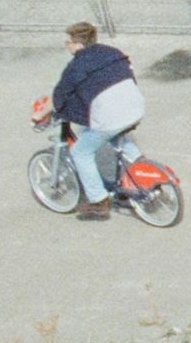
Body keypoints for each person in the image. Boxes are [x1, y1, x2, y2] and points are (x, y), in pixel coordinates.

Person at [50, 21, 144, 221]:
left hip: (110, 116)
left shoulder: (76, 65)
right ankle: (140, 170)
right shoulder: (111, 51)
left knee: (81, 151)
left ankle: (98, 201)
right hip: (135, 106)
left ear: (77, 44)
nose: (67, 46)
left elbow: (62, 93)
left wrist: (56, 110)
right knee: (116, 135)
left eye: (68, 42)